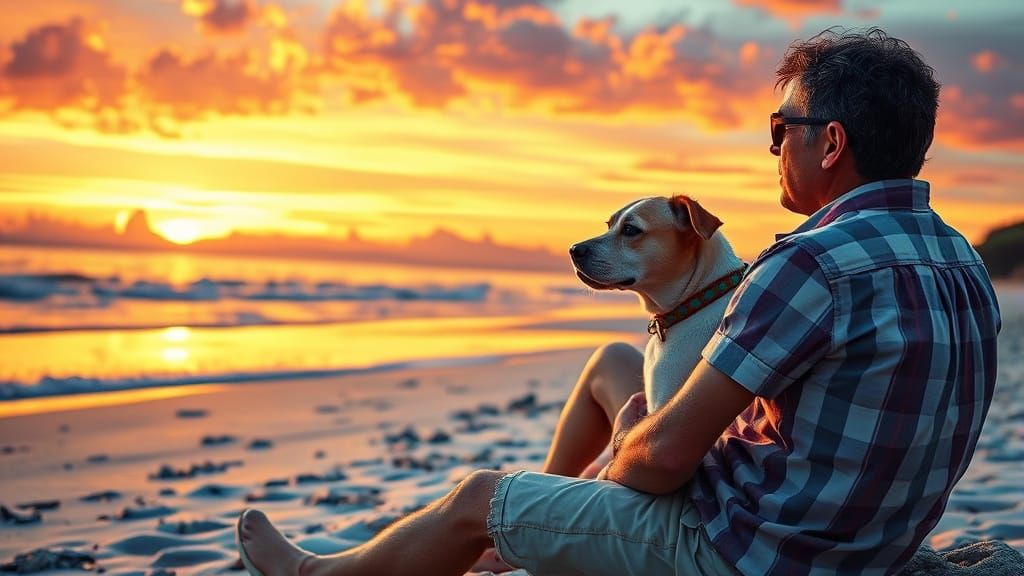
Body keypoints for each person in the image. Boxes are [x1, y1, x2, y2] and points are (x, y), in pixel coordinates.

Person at [236, 27, 1001, 576]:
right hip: (870, 547)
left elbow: (665, 460)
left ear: (829, 143)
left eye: (782, 130)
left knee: (480, 497)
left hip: (749, 553)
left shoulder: (808, 265)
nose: (773, 150)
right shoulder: (962, 261)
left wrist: (633, 440)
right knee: (613, 401)